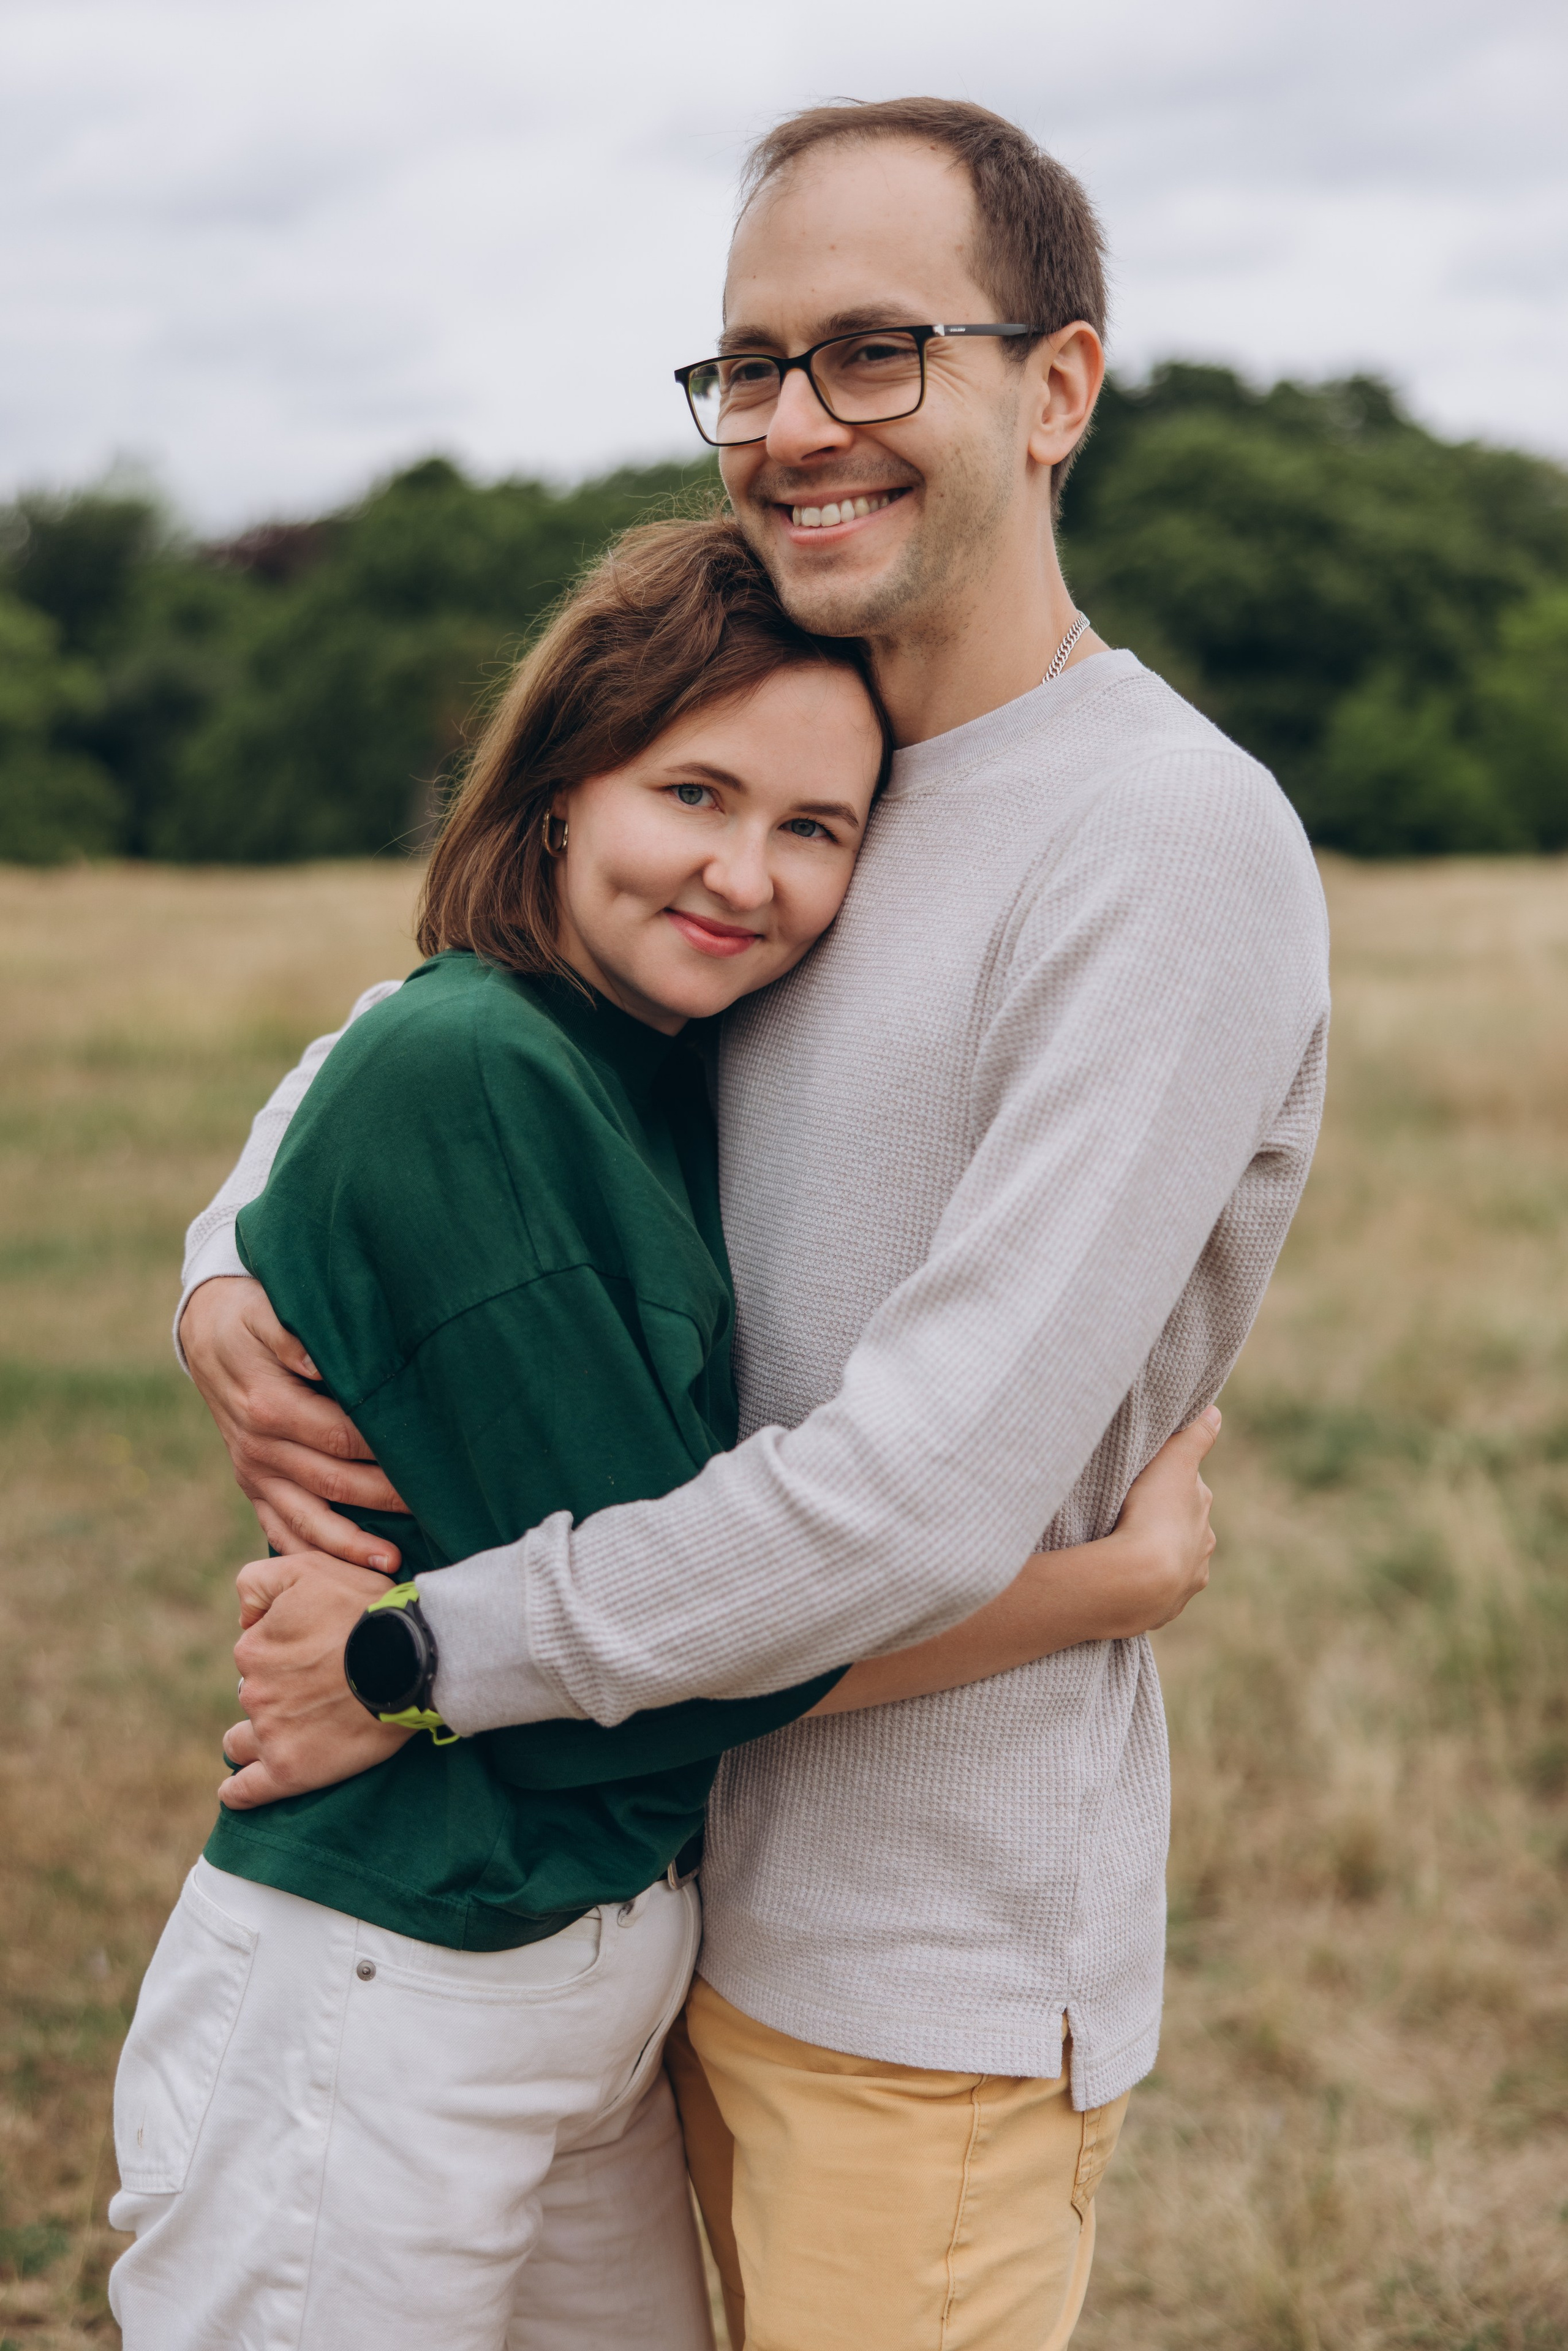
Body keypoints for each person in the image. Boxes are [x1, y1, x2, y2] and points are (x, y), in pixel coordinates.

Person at [176, 96, 1330, 2351]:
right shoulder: (829, 766)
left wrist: (420, 1662)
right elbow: (455, 1029)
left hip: (916, 1976)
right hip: (655, 1896)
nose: (795, 426)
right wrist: (228, 1253)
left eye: (876, 353)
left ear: (1060, 388)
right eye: (751, 366)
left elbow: (910, 1495)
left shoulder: (1162, 842)